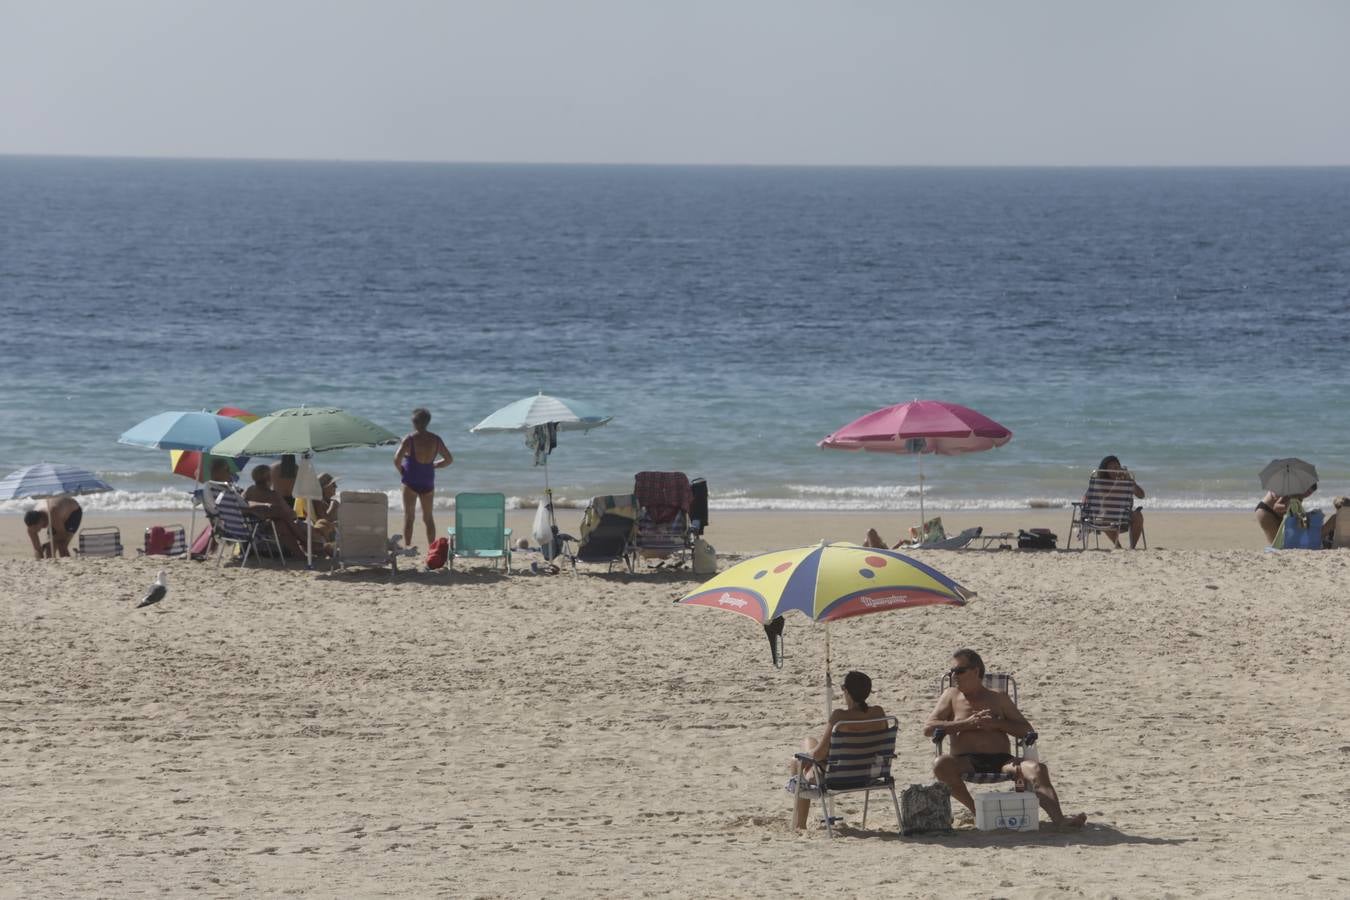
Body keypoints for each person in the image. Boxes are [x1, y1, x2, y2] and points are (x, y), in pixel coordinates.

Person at [925, 648, 1086, 828]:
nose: (954, 676)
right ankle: (978, 813)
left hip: (1003, 761)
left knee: (1037, 769)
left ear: (976, 671)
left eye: (959, 671)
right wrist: (966, 724)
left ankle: (1060, 820)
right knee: (940, 764)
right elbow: (929, 727)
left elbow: (1026, 730)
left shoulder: (998, 697)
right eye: (951, 672)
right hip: (965, 760)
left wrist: (997, 724)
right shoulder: (951, 695)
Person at [788, 670, 886, 831]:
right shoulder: (879, 713)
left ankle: (800, 825)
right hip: (870, 773)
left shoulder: (840, 717)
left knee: (797, 760)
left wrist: (806, 756)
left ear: (846, 691)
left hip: (838, 777)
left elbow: (819, 754)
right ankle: (800, 824)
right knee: (809, 742)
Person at [393, 407, 453, 549]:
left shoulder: (409, 439)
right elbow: (449, 460)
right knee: (428, 518)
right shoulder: (436, 440)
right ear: (427, 422)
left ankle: (408, 546)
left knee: (409, 517)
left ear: (414, 422)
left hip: (410, 481)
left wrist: (402, 471)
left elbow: (396, 459)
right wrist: (434, 465)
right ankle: (432, 548)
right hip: (427, 481)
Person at [243, 464, 309, 558]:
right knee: (282, 522)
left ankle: (302, 547)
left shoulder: (249, 490)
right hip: (266, 532)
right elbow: (292, 514)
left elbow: (242, 504)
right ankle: (303, 543)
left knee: (281, 521)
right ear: (269, 478)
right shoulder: (272, 495)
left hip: (251, 531)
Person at [1256, 483, 1337, 546]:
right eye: (1307, 491)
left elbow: (1296, 512)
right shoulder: (1291, 490)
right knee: (1275, 543)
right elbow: (1276, 507)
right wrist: (1289, 507)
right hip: (1266, 511)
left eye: (1310, 493)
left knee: (1282, 542)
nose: (1307, 495)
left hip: (1278, 514)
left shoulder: (1300, 495)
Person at [1093, 455, 1145, 549]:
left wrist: (1131, 483)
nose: (1115, 470)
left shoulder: (1126, 481)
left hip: (1125, 516)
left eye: (1117, 467)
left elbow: (1141, 495)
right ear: (1105, 469)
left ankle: (1132, 548)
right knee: (1101, 519)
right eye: (1112, 468)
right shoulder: (1101, 482)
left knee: (1138, 516)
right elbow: (1105, 502)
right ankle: (1118, 546)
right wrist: (1117, 484)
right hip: (1108, 516)